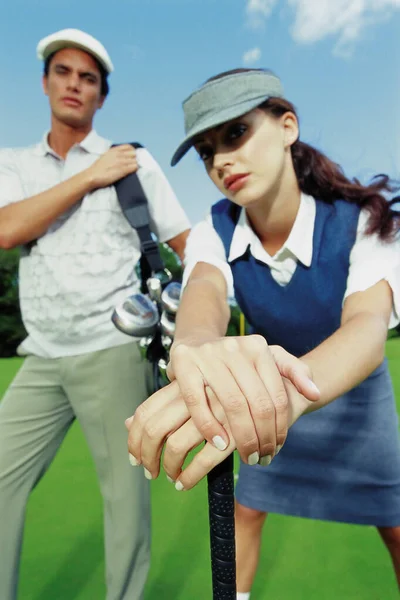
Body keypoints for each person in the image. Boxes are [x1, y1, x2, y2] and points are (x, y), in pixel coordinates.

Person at [126, 68, 400, 597]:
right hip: (259, 398)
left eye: (235, 134)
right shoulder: (212, 230)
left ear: (288, 127)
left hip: (352, 398)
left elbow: (366, 327)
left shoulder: (363, 219)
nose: (221, 160)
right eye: (207, 151)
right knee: (246, 513)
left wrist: (276, 394)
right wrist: (194, 354)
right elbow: (203, 293)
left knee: (394, 524)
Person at [0, 28, 190, 600]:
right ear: (45, 82)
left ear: (101, 96)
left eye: (88, 78)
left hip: (111, 349)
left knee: (124, 504)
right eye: (64, 72)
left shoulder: (131, 162)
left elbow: (185, 242)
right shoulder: (14, 165)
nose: (74, 85)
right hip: (40, 356)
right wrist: (89, 176)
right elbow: (8, 229)